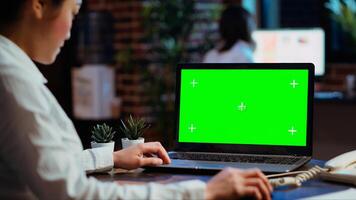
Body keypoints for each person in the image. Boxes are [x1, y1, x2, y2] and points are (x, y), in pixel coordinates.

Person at [0, 0, 272, 199]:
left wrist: (111, 157)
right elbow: (74, 194)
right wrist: (205, 191)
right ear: (39, 5)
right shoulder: (12, 79)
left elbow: (45, 166)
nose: (71, 31)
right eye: (73, 13)